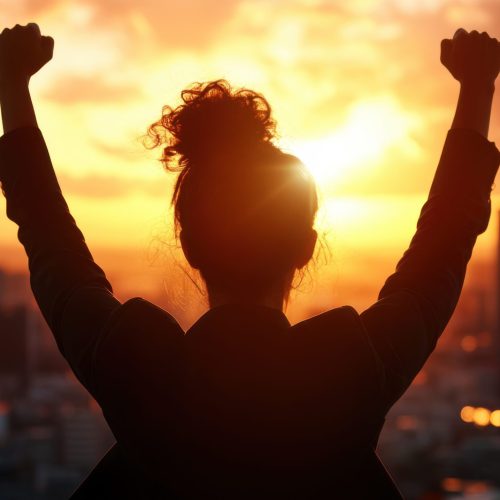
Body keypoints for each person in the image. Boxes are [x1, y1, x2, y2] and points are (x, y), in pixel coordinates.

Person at [0, 23, 498, 499]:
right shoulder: (345, 373)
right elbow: (439, 254)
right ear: (305, 246)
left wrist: (12, 85)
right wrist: (476, 87)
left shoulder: (139, 368)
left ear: (188, 244)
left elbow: (53, 246)